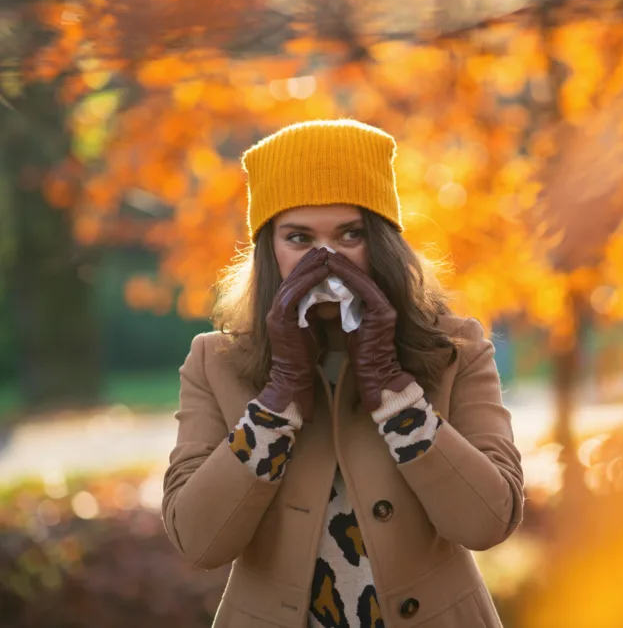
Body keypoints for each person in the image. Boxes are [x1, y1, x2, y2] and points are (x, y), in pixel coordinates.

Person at [161, 120, 524, 628]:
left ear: (381, 244)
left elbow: (489, 522)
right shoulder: (214, 362)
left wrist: (394, 392)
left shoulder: (456, 348)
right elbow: (198, 540)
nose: (325, 260)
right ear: (270, 250)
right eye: (299, 237)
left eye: (350, 234)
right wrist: (279, 395)